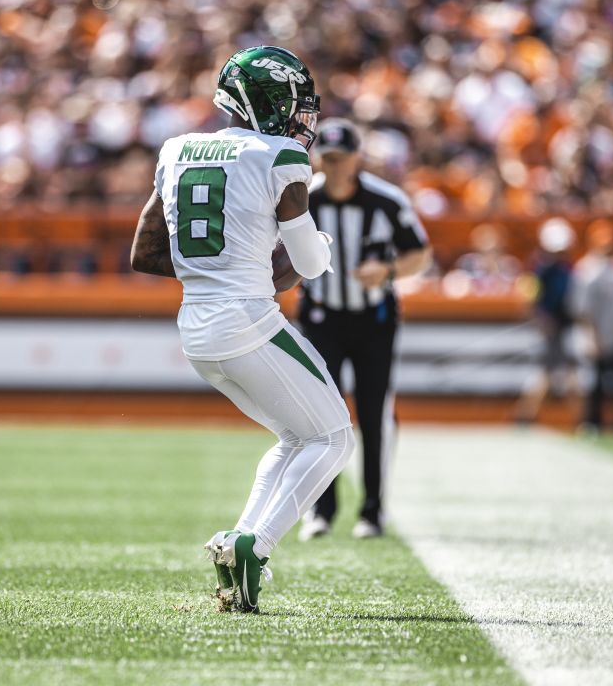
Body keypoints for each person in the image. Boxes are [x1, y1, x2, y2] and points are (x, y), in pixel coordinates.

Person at [130, 46, 353, 613]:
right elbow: (309, 263)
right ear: (264, 101)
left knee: (296, 437)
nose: (302, 118)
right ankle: (260, 543)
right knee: (334, 437)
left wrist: (225, 266)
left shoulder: (176, 149)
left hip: (197, 327)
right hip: (247, 319)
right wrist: (265, 267)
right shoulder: (278, 155)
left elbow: (145, 253)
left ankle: (238, 545)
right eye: (293, 105)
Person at [293, 118, 432, 541]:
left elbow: (420, 255)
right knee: (322, 417)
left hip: (374, 320)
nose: (335, 168)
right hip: (321, 316)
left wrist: (388, 271)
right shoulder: (302, 200)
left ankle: (373, 511)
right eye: (328, 159)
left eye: (342, 159)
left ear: (356, 159)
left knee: (374, 414)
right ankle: (321, 510)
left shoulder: (386, 201)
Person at [569, 220, 613, 434]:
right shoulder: (587, 270)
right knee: (594, 383)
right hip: (598, 336)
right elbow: (583, 310)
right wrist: (592, 337)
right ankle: (592, 424)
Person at [514, 218, 579, 423]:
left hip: (563, 328)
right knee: (556, 374)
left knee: (551, 375)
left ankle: (525, 417)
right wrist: (542, 320)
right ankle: (583, 421)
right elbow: (529, 300)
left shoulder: (565, 267)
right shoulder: (540, 269)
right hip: (551, 330)